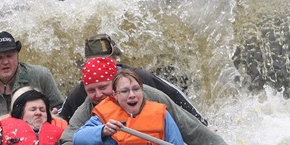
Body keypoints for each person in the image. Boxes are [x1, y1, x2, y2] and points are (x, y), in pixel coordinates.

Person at [50, 57, 259, 145]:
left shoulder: (148, 96)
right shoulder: (90, 106)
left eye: (103, 88)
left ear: (115, 83)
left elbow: (190, 129)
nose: (98, 95)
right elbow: (72, 138)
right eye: (91, 90)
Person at [57, 34, 208, 125]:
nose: (97, 93)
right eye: (94, 61)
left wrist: (201, 123)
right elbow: (63, 118)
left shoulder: (139, 78)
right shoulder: (83, 89)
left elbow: (174, 95)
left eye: (106, 60)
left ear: (115, 59)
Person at [73, 68, 191, 145]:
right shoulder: (103, 115)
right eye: (124, 91)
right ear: (115, 95)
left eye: (136, 89)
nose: (132, 95)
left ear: (142, 90)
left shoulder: (161, 114)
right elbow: (78, 140)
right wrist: (102, 131)